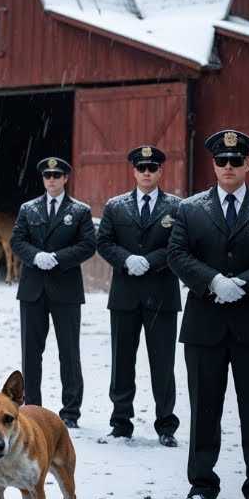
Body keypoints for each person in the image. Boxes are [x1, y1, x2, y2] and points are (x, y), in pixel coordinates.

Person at [167, 130, 249, 499]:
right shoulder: (190, 209)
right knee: (205, 409)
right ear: (213, 164)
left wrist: (245, 283)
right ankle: (202, 484)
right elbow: (176, 253)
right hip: (205, 325)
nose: (228, 167)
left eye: (235, 161)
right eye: (221, 161)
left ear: (247, 164)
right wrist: (211, 281)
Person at [94, 146, 182, 446]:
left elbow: (180, 245)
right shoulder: (116, 206)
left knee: (163, 363)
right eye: (142, 168)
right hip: (125, 295)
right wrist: (126, 259)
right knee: (121, 361)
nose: (147, 173)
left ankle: (166, 425)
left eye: (152, 168)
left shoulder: (176, 207)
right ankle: (120, 422)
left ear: (160, 172)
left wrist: (152, 260)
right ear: (134, 171)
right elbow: (103, 241)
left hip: (162, 296)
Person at [10, 156, 98, 429]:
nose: (52, 179)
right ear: (43, 179)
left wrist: (57, 257)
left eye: (57, 175)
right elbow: (16, 240)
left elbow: (88, 245)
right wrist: (36, 256)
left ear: (65, 178)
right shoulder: (29, 209)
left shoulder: (80, 211)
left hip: (65, 290)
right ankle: (32, 408)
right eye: (48, 176)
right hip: (33, 289)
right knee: (31, 354)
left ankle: (71, 411)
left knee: (69, 353)